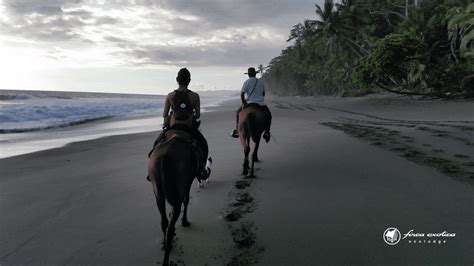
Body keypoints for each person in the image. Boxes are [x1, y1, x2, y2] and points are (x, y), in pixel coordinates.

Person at [148, 68, 209, 180]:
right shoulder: (195, 96)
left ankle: (151, 172)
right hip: (188, 129)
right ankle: (201, 169)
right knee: (203, 144)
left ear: (177, 80)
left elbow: (164, 114)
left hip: (172, 128)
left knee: (156, 144)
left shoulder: (170, 95)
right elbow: (198, 115)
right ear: (189, 81)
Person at [231, 67, 272, 142]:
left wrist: (244, 103)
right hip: (260, 104)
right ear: (255, 74)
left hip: (249, 103)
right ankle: (266, 132)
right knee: (268, 115)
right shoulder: (260, 82)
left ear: (249, 75)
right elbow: (263, 94)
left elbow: (242, 94)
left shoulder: (246, 82)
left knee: (237, 113)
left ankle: (237, 130)